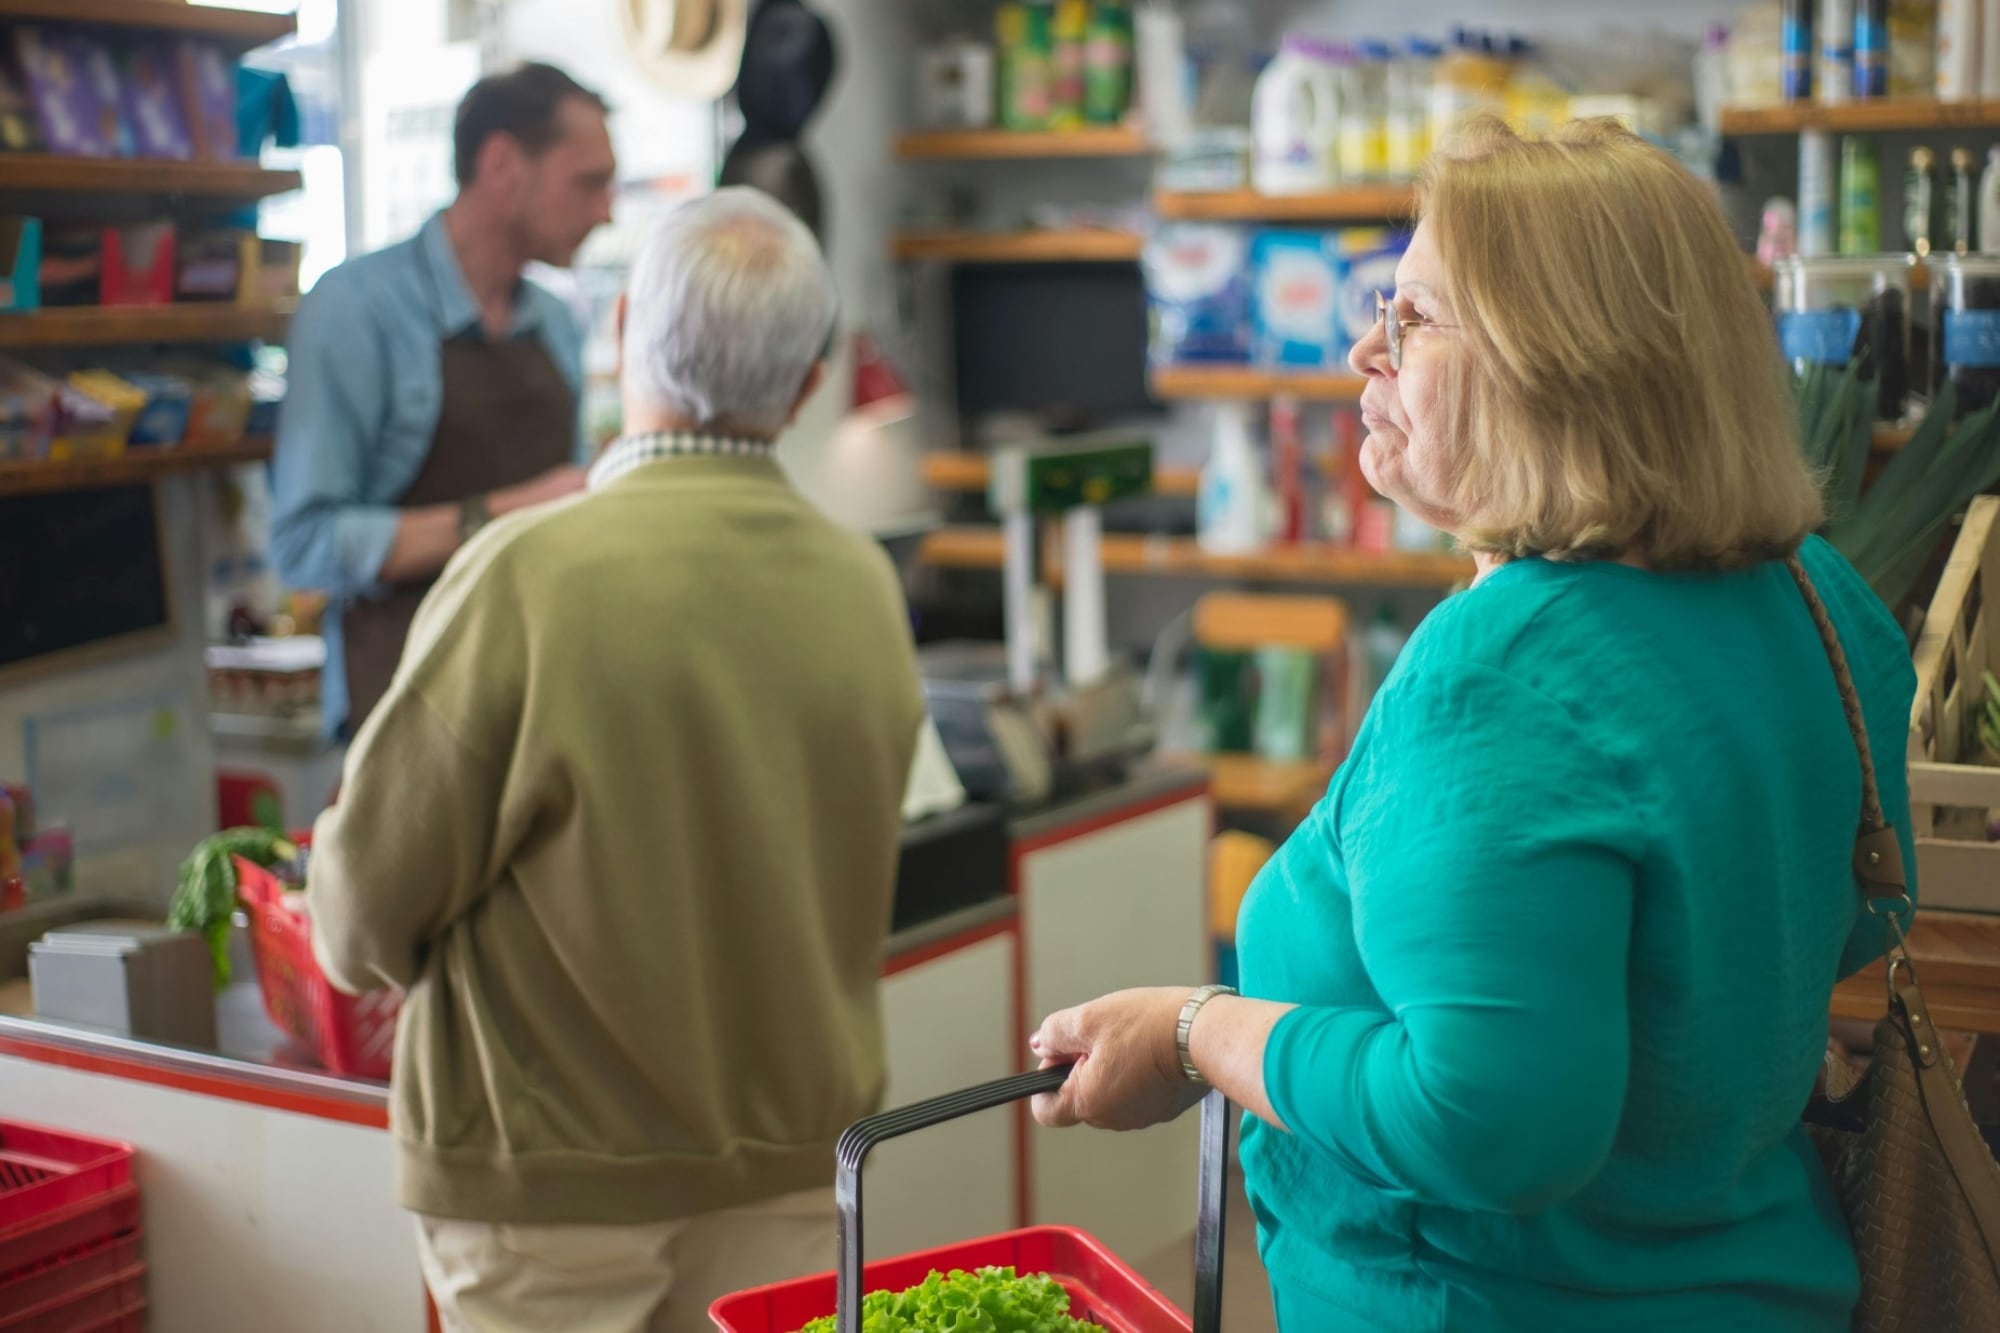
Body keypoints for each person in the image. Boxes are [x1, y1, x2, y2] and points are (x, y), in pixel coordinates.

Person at [1027, 117, 1919, 1333]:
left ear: (1560, 361)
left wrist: (1195, 1032)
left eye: (1412, 318)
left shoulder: (1495, 677)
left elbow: (1484, 1125)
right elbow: (1867, 906)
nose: (1362, 348)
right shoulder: (1816, 597)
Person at [305, 188, 927, 1332]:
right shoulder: (860, 585)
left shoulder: (524, 578)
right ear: (802, 384)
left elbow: (353, 923)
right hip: (792, 1165)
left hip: (546, 1190)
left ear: (625, 322)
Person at [271, 62, 615, 739]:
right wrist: (505, 513)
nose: (607, 211)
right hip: (407, 706)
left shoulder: (555, 321)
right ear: (501, 164)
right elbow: (304, 545)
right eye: (589, 183)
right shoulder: (356, 311)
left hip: (541, 700)